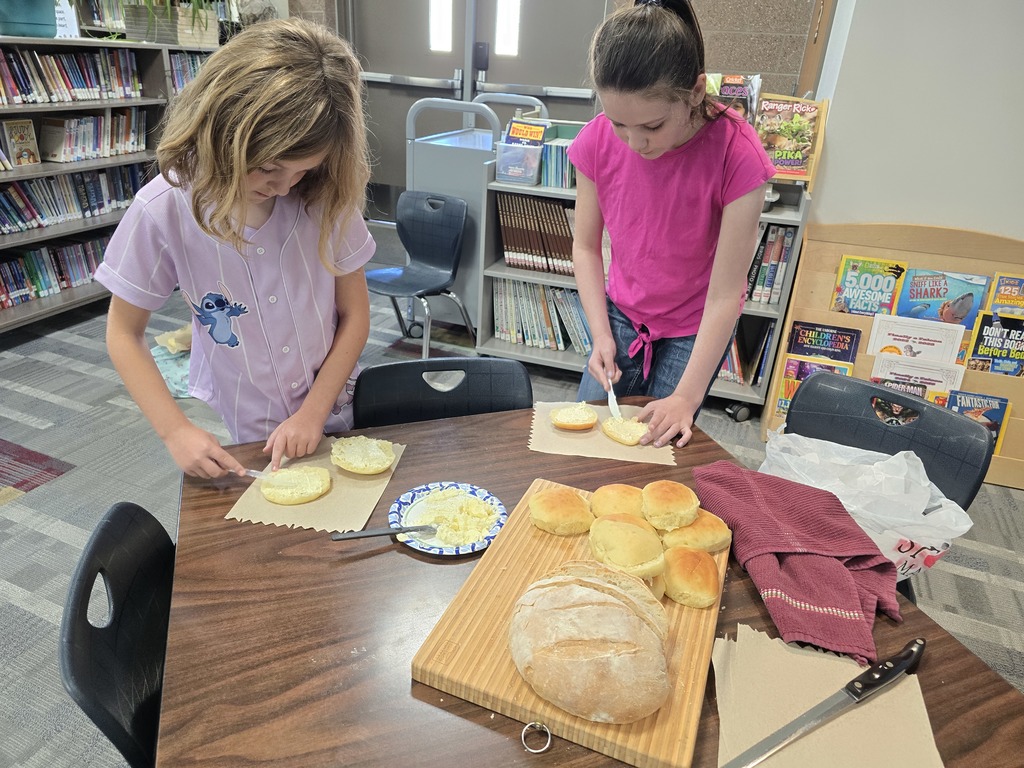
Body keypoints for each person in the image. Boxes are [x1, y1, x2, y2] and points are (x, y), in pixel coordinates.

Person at [95, 18, 375, 478]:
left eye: (301, 172)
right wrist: (175, 431)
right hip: (248, 419)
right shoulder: (163, 209)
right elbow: (123, 332)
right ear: (222, 133)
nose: (285, 189)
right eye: (268, 169)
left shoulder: (327, 194)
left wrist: (312, 413)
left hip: (338, 403)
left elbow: (356, 315)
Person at [569, 0, 775, 448]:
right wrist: (599, 333)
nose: (635, 142)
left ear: (696, 92)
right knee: (589, 438)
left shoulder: (737, 153)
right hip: (621, 314)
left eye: (653, 125)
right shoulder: (597, 141)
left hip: (693, 326)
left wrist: (687, 395)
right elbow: (585, 247)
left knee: (658, 449)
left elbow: (726, 293)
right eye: (618, 123)